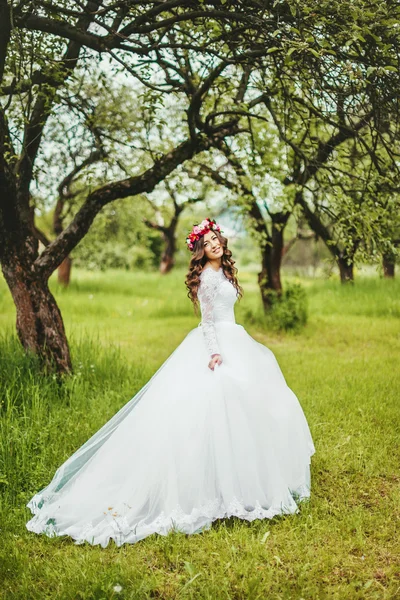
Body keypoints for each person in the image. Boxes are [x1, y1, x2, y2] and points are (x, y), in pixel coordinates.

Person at [26, 217, 315, 548]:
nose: (214, 245)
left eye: (215, 241)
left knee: (254, 400)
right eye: (206, 244)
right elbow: (207, 322)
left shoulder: (225, 272)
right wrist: (214, 353)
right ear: (201, 253)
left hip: (236, 338)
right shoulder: (206, 278)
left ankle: (245, 480)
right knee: (218, 402)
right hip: (217, 343)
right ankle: (214, 487)